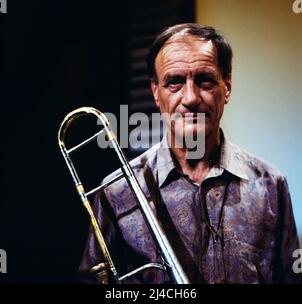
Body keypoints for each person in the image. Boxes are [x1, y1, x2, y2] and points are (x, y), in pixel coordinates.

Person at [79, 23, 300, 284]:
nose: (191, 97)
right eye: (174, 82)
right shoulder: (117, 191)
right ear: (155, 93)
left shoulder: (271, 184)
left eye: (204, 80)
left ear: (227, 86)